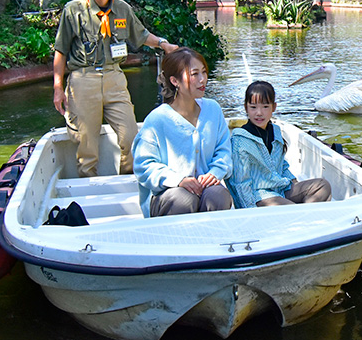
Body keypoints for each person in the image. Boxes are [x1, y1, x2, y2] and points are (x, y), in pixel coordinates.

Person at [53, 0, 178, 177]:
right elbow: (60, 51)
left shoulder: (122, 9)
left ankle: (128, 180)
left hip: (114, 78)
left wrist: (163, 44)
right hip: (83, 79)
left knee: (130, 134)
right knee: (87, 143)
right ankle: (88, 187)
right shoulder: (73, 10)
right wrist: (57, 88)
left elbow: (141, 35)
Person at [133, 48, 233, 217]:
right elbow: (144, 166)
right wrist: (178, 181)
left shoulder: (213, 110)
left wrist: (215, 173)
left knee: (218, 195)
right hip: (167, 195)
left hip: (205, 190)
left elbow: (224, 151)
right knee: (184, 199)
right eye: (194, 74)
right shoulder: (157, 120)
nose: (202, 80)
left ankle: (211, 241)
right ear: (174, 81)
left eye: (204, 72)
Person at [230, 80, 332, 208]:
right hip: (258, 197)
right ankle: (302, 215)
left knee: (322, 186)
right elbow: (240, 183)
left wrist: (294, 183)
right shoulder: (240, 140)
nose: (259, 113)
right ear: (246, 108)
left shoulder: (275, 131)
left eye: (265, 107)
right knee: (288, 208)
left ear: (274, 107)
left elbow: (281, 165)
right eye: (253, 107)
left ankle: (303, 215)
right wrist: (251, 211)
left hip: (281, 189)